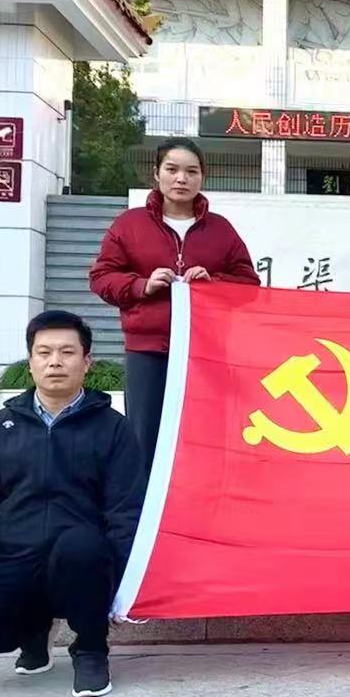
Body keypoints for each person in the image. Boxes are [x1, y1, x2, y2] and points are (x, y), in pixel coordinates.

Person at [0, 311, 144, 697]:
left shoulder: (113, 428)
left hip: (82, 564)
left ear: (86, 362)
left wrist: (125, 585)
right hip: (15, 562)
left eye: (67, 352)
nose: (55, 362)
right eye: (44, 352)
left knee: (81, 546)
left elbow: (126, 513)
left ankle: (90, 649)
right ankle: (34, 629)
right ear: (31, 362)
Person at [90, 140, 259, 468]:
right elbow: (102, 277)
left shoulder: (220, 230)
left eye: (191, 171)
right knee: (144, 438)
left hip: (206, 352)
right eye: (172, 169)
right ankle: (143, 501)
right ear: (157, 174)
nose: (181, 178)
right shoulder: (130, 225)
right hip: (147, 350)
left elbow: (248, 285)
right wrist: (142, 285)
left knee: (204, 435)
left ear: (202, 177)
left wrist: (214, 284)